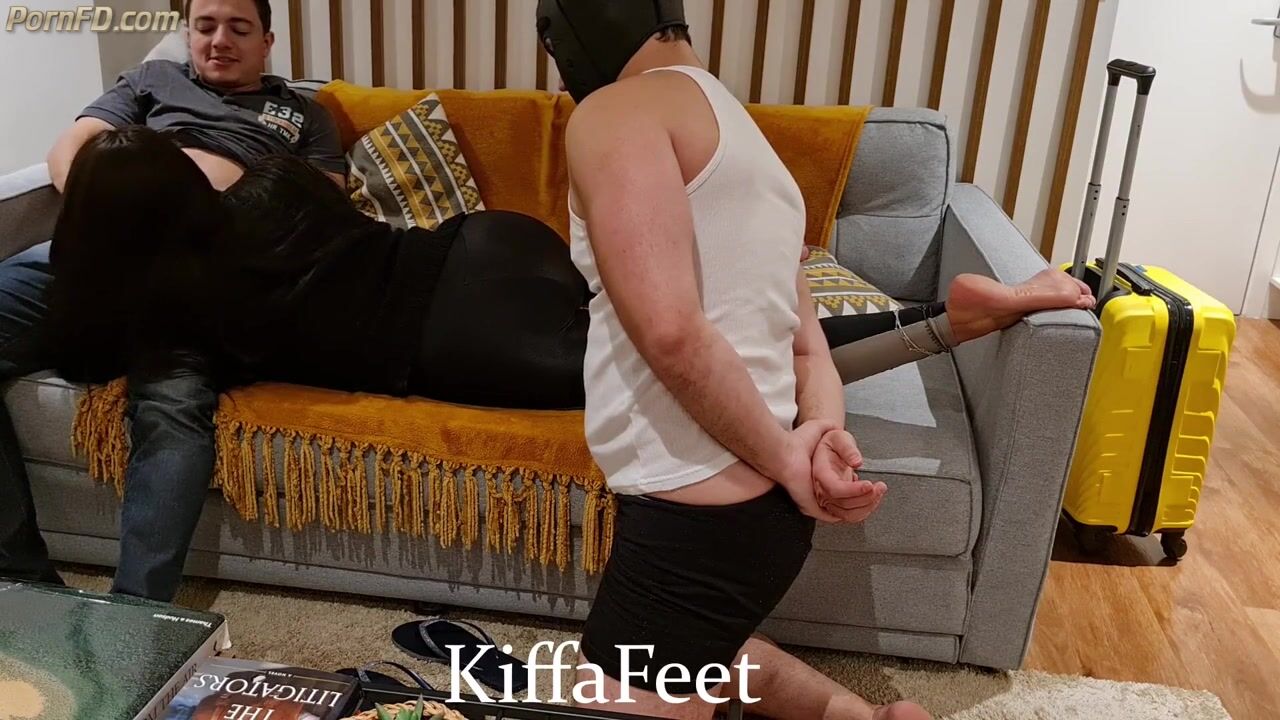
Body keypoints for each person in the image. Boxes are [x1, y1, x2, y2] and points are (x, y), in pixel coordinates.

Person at [535, 1, 1092, 719]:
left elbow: (672, 333)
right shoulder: (751, 146)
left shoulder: (613, 113)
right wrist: (820, 436)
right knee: (698, 651)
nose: (560, 78)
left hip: (693, 514)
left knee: (616, 687)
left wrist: (791, 462)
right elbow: (807, 348)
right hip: (754, 518)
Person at [0, 0, 344, 602]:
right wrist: (109, 210)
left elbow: (326, 204)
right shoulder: (151, 80)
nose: (219, 40)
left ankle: (137, 609)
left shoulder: (302, 114)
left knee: (174, 408)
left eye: (238, 28)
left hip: (198, 278)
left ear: (267, 42)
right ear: (188, 32)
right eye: (205, 26)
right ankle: (23, 576)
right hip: (97, 258)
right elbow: (71, 149)